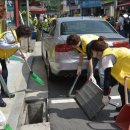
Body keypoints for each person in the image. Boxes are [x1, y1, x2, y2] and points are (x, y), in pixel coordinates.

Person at [90, 36, 130, 113]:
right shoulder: (108, 51)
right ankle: (124, 108)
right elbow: (113, 75)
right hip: (127, 69)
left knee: (125, 90)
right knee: (122, 88)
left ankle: (126, 113)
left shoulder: (106, 57)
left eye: (92, 51)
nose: (92, 53)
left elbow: (107, 78)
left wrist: (105, 95)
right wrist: (110, 85)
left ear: (97, 51)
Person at [0, 25, 31, 107]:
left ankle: (5, 91)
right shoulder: (10, 36)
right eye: (25, 36)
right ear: (22, 34)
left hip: (2, 57)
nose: (24, 38)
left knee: (5, 74)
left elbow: (12, 50)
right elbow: (1, 45)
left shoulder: (16, 38)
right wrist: (14, 46)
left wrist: (20, 55)